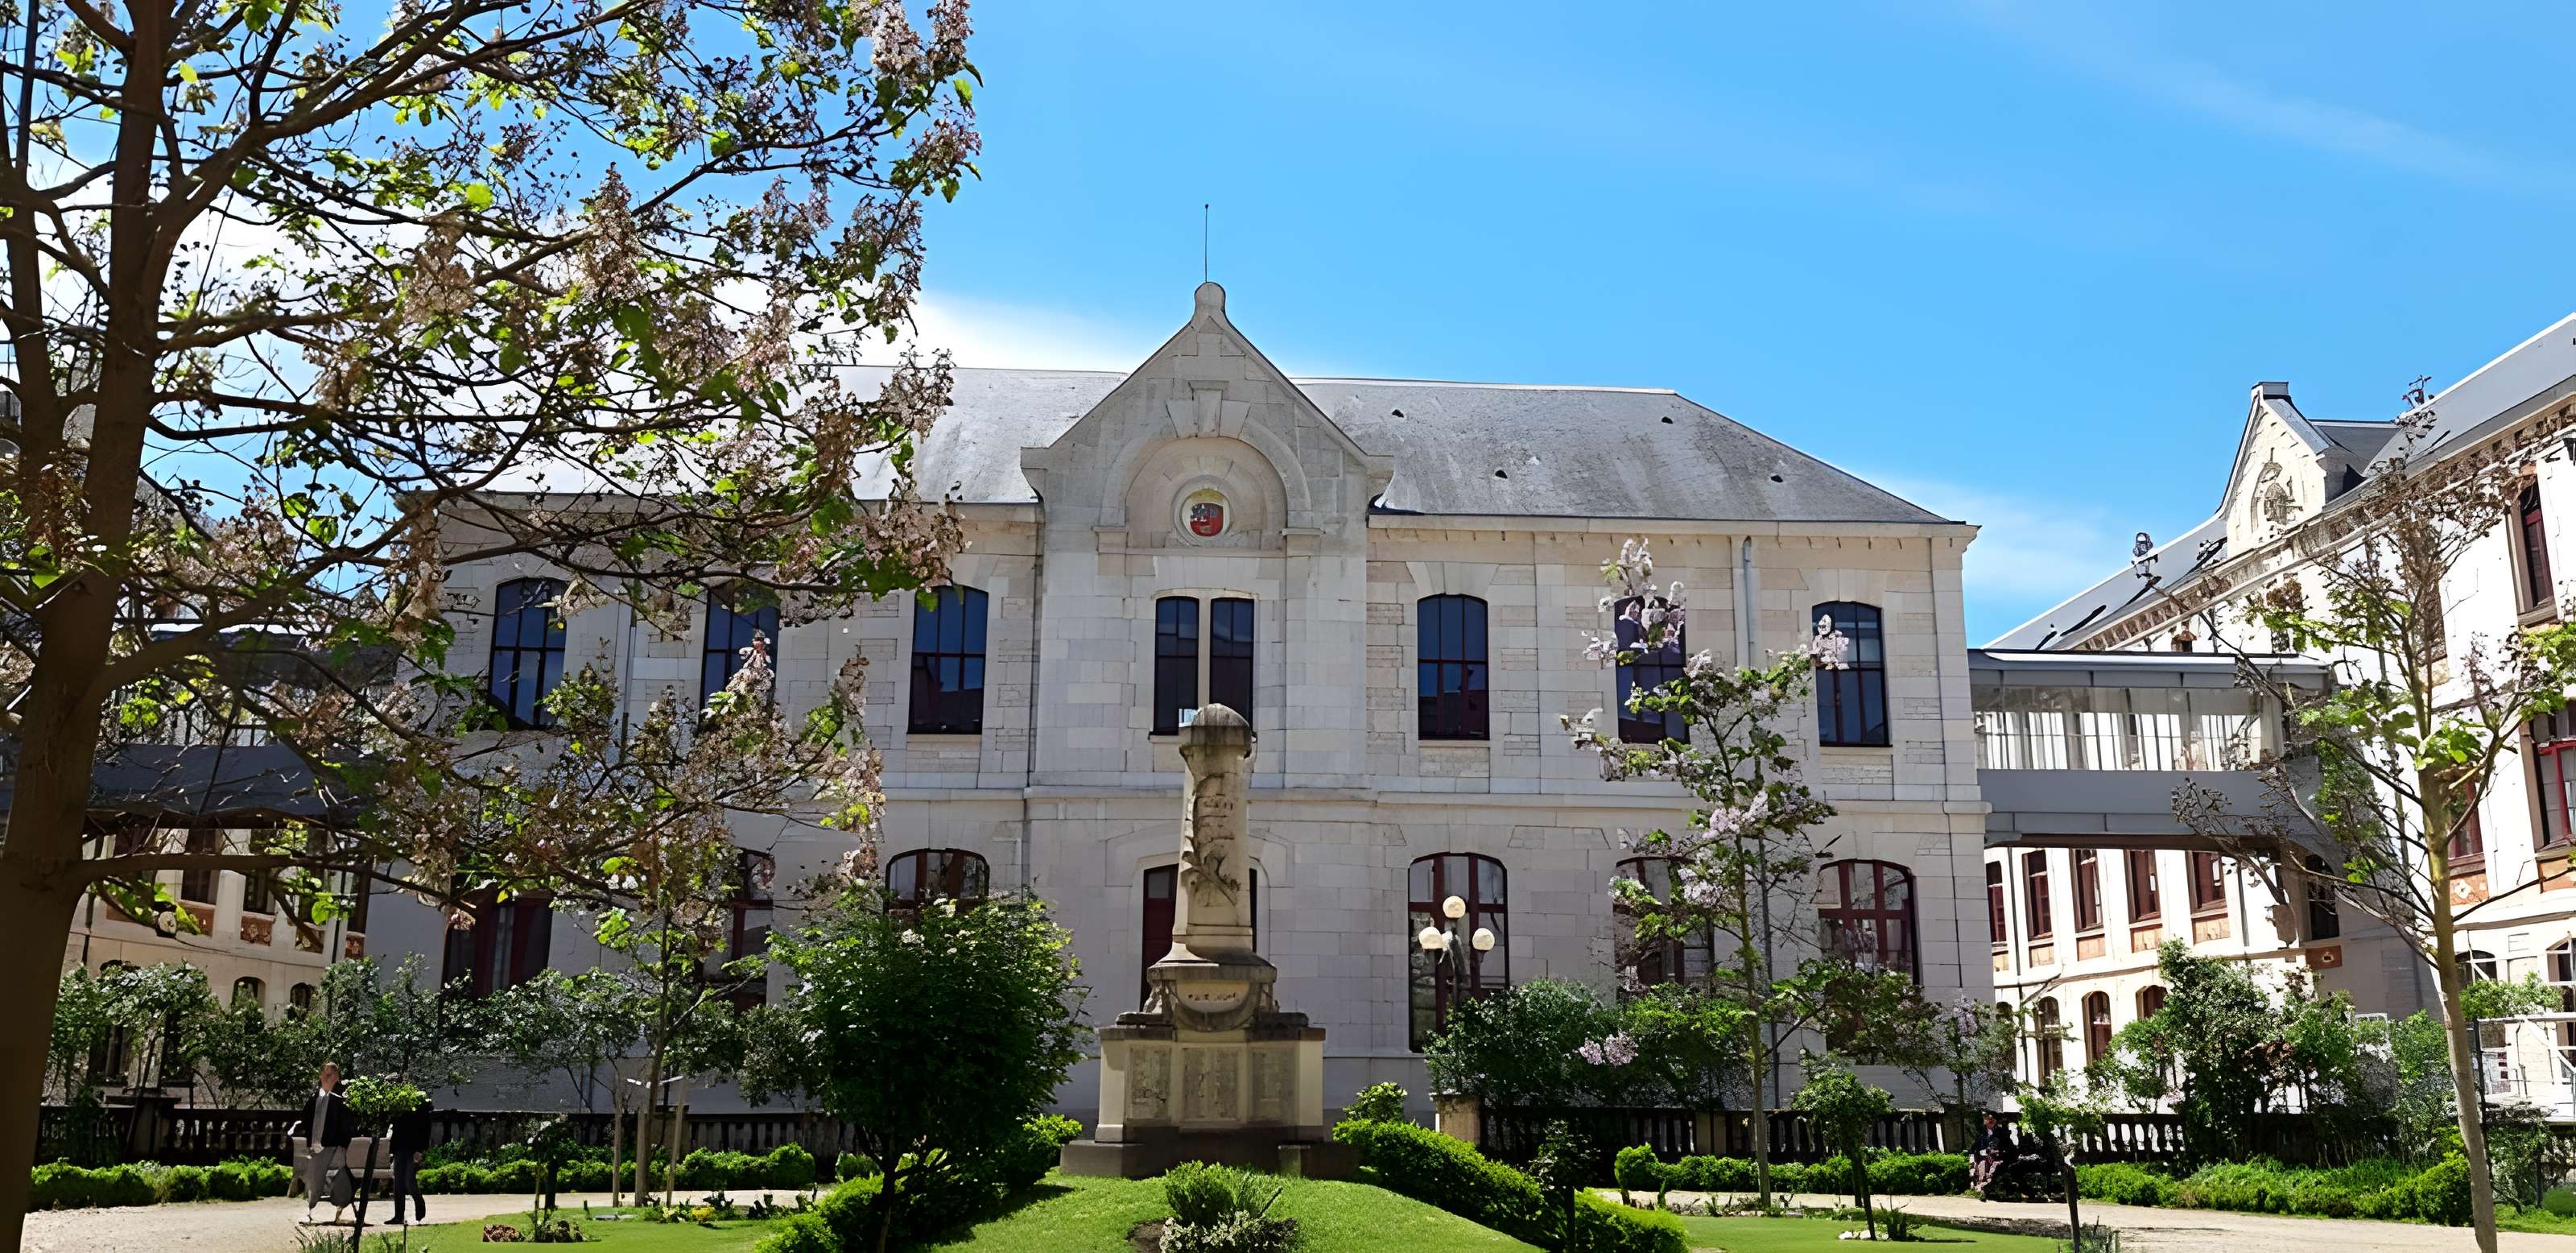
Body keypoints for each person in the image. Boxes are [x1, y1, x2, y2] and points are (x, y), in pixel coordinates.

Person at [299, 1062, 356, 1222]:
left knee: (338, 1178)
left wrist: (342, 1146)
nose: (326, 1078)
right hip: (316, 1145)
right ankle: (311, 1211)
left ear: (337, 1077)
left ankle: (339, 1212)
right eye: (324, 1074)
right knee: (314, 1179)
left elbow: (347, 1125)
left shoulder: (342, 1099)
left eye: (330, 1075)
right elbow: (306, 1120)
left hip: (334, 1145)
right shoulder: (314, 1097)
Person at [390, 1098, 436, 1225]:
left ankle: (420, 1211)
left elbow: (425, 1130)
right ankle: (398, 1216)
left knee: (409, 1182)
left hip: (412, 1148)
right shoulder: (401, 1104)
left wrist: (420, 1150)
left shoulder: (422, 1108)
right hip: (400, 1147)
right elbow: (396, 1126)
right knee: (398, 1184)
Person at [1970, 1112, 2013, 1195]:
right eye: (1988, 1119)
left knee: (1996, 1167)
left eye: (1992, 1119)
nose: (1990, 1121)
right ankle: (1982, 1186)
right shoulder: (1982, 1134)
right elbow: (1975, 1148)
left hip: (1998, 1158)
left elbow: (2008, 1147)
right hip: (1984, 1158)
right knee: (1983, 1165)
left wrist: (1997, 1151)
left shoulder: (2001, 1133)